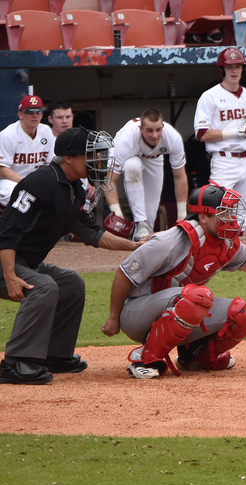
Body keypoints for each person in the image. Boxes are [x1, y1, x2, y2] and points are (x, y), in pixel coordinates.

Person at [101, 184, 246, 379]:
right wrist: (113, 317)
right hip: (136, 312)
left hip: (178, 306)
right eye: (224, 213)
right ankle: (145, 359)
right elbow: (125, 273)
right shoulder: (171, 240)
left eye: (231, 212)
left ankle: (195, 356)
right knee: (197, 297)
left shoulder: (226, 243)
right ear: (203, 217)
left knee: (244, 313)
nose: (231, 218)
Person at [0, 127, 141, 385]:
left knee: (71, 283)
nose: (98, 161)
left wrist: (135, 246)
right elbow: (6, 233)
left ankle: (55, 355)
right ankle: (15, 363)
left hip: (24, 261)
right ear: (69, 158)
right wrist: (9, 276)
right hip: (4, 260)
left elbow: (91, 233)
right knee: (43, 287)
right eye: (91, 155)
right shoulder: (39, 182)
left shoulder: (73, 188)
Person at [194, 47, 246, 228]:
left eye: (238, 67)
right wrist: (235, 132)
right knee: (218, 209)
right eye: (230, 67)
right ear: (222, 70)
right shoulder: (209, 96)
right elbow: (201, 133)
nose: (234, 71)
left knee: (241, 213)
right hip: (224, 160)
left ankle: (235, 254)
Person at [103, 109, 189, 241]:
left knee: (150, 216)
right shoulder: (127, 139)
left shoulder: (172, 137)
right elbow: (109, 180)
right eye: (149, 130)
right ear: (141, 129)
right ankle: (140, 222)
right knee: (133, 166)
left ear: (163, 127)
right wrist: (117, 214)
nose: (155, 135)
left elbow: (180, 176)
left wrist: (182, 215)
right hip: (129, 155)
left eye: (158, 130)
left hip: (154, 158)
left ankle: (143, 233)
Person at [0, 95, 55, 208]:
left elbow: (51, 164)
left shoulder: (46, 131)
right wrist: (28, 184)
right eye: (29, 111)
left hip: (39, 181)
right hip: (12, 181)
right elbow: (2, 169)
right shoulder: (8, 135)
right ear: (20, 114)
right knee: (11, 195)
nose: (35, 115)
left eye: (38, 111)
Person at [44, 100, 97, 209]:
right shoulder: (44, 140)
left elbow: (89, 161)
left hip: (81, 192)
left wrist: (91, 182)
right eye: (60, 118)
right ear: (50, 119)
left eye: (68, 117)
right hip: (55, 193)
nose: (65, 121)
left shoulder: (81, 138)